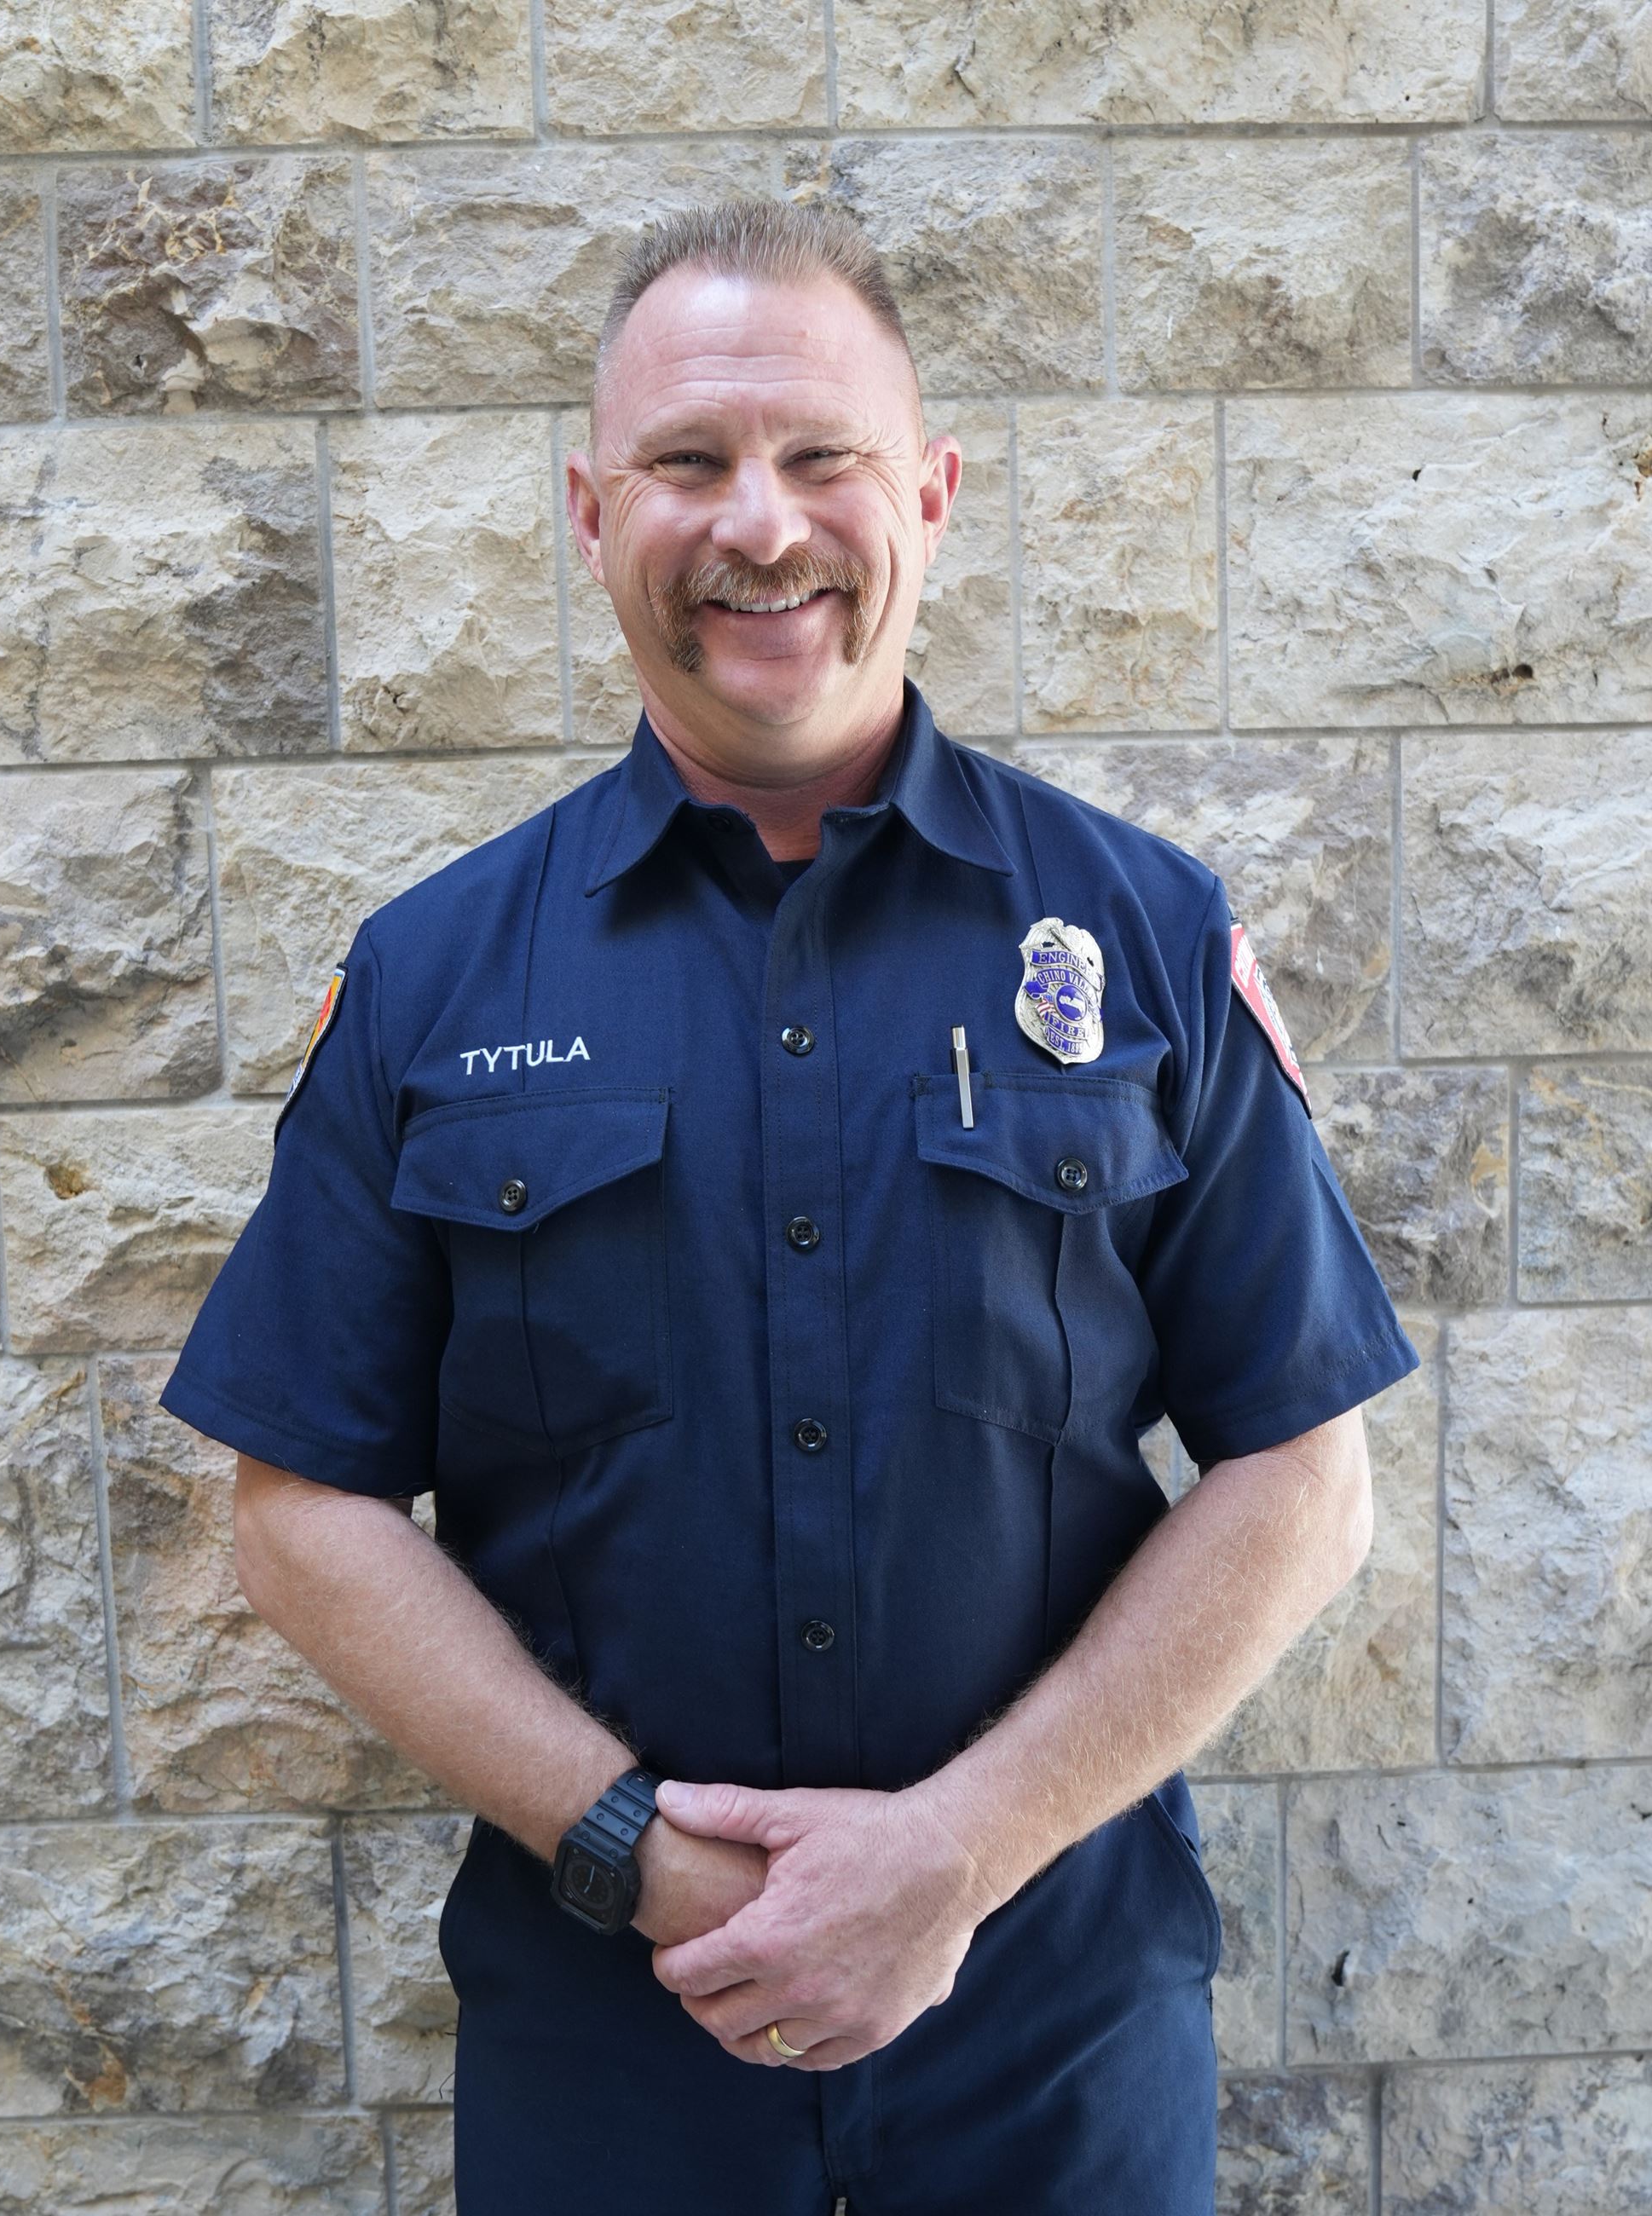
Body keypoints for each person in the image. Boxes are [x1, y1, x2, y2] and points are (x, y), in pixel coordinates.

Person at [159, 197, 1418, 2214]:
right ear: (590, 511)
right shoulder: (434, 978)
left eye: (821, 454)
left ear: (925, 490)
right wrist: (637, 1852)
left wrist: (954, 1851)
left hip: (1051, 2041)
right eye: (687, 461)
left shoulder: (1142, 934)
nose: (761, 524)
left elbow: (1304, 1472)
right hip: (614, 2049)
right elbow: (303, 1514)